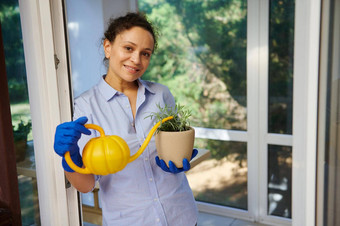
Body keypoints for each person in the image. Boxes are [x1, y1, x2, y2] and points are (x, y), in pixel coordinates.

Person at [53, 12, 198, 226]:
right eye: (128, 48)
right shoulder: (86, 106)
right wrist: (70, 156)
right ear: (108, 47)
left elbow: (173, 145)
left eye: (145, 53)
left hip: (180, 214)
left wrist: (178, 160)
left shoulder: (161, 94)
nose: (136, 60)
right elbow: (85, 185)